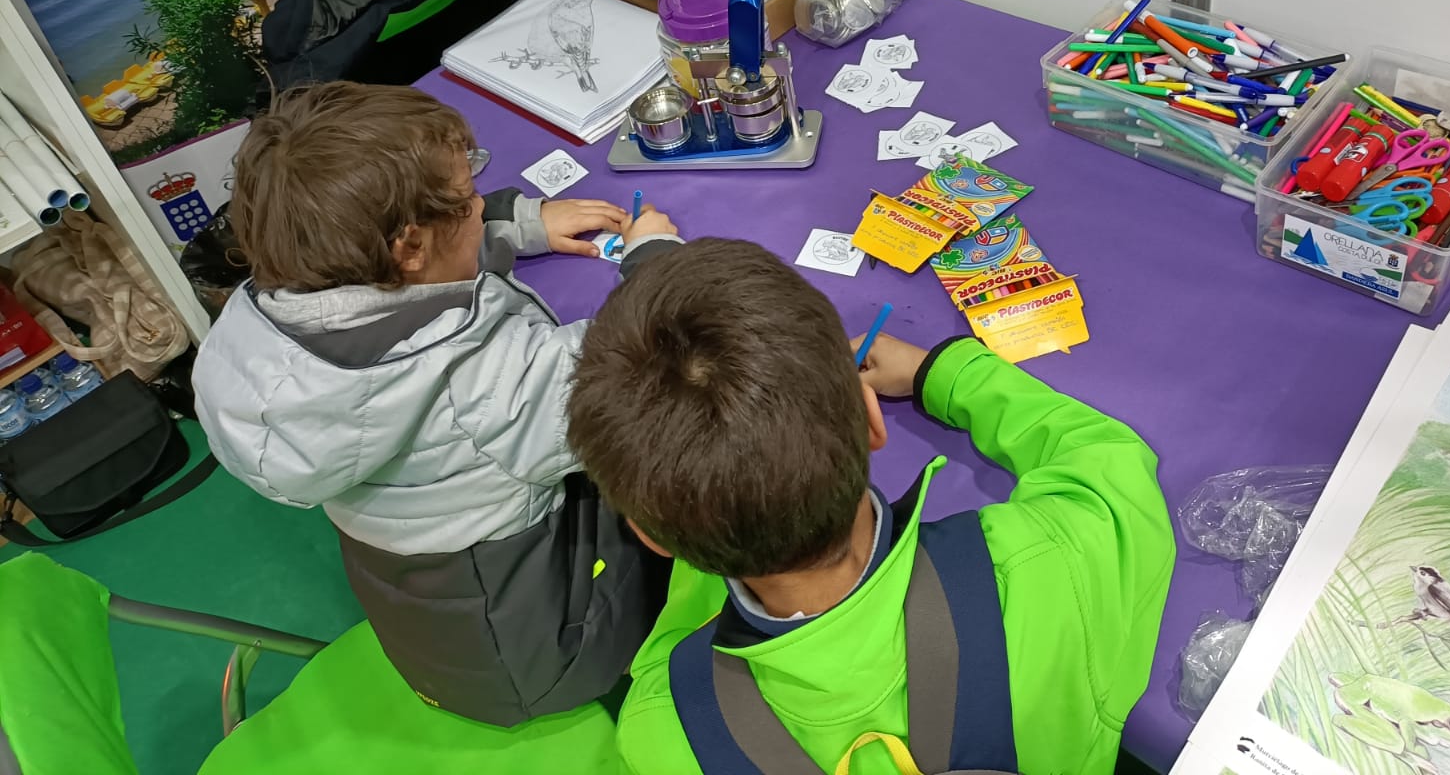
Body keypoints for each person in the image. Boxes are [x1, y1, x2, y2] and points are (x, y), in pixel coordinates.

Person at [566, 238, 1175, 775]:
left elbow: (679, 645)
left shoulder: (663, 729)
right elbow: (1106, 460)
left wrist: (706, 518)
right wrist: (943, 372)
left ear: (651, 538)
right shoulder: (1046, 568)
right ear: (870, 421)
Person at [193, 82, 680, 728]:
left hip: (447, 622)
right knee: (689, 484)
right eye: (472, 202)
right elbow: (635, 369)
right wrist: (654, 264)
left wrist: (517, 224)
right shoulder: (475, 381)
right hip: (547, 655)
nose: (483, 206)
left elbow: (402, 279)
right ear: (410, 246)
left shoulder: (265, 315)